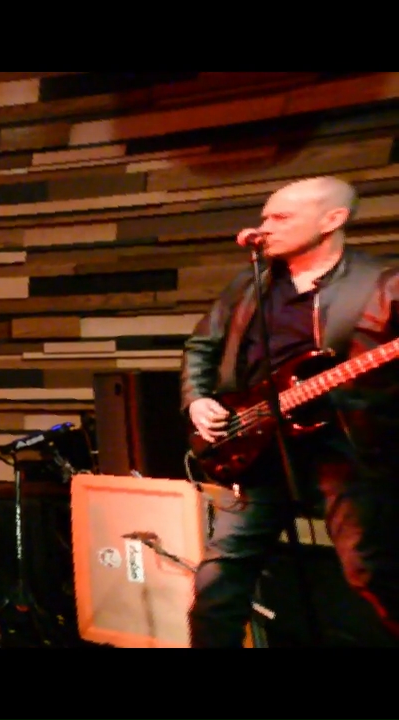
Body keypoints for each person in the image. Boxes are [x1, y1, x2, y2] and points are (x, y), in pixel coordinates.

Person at [181, 175, 399, 647]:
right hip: (255, 444)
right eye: (264, 217)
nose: (263, 228)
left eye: (280, 217)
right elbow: (201, 346)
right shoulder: (250, 284)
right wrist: (197, 398)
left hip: (345, 450)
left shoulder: (381, 284)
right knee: (218, 580)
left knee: (371, 572)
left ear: (333, 219)